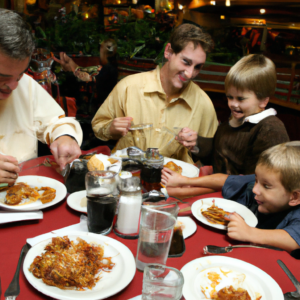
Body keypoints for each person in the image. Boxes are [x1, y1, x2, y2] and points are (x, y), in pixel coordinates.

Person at [91, 24, 218, 163]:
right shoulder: (129, 87)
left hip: (174, 180)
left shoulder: (203, 103)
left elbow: (211, 152)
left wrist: (197, 144)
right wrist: (111, 129)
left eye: (198, 67)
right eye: (186, 62)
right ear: (168, 52)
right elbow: (98, 125)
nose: (190, 73)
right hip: (127, 174)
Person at [162, 141, 300, 252]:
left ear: (294, 197)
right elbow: (227, 181)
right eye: (257, 180)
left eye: (266, 186)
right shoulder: (265, 182)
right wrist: (184, 181)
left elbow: (294, 239)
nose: (255, 189)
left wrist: (250, 233)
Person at [0, 9, 82, 185]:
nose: (13, 86)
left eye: (20, 74)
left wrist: (64, 137)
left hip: (25, 198)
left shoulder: (26, 85)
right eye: (3, 77)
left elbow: (56, 122)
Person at [177, 54, 289, 174]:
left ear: (263, 101)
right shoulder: (230, 124)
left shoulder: (270, 130)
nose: (233, 104)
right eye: (230, 97)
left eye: (241, 99)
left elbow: (259, 180)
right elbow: (217, 158)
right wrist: (196, 143)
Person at [53, 39, 118, 110]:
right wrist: (70, 63)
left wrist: (70, 64)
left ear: (102, 50)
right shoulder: (109, 66)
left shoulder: (108, 69)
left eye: (101, 47)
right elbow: (84, 70)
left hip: (101, 107)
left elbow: (87, 76)